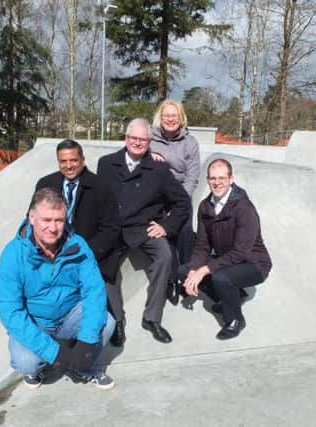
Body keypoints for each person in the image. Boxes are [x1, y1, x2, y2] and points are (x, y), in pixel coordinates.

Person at [0, 188, 115, 390]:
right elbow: (10, 311)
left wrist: (87, 342)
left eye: (59, 220)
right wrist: (55, 353)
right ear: (32, 218)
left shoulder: (78, 246)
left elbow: (94, 292)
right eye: (46, 220)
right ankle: (38, 364)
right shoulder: (12, 254)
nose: (53, 228)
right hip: (36, 320)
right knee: (26, 363)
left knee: (108, 322)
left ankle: (84, 367)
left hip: (69, 314)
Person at [97, 118, 191, 344]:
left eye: (143, 139)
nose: (137, 143)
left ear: (149, 142)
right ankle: (117, 320)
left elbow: (182, 202)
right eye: (133, 138)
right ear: (126, 138)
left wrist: (166, 226)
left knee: (165, 256)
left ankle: (152, 318)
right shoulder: (107, 163)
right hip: (115, 228)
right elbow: (98, 199)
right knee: (104, 262)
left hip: (144, 227)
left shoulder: (158, 168)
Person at [33, 139, 123, 345]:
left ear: (82, 160)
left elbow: (111, 227)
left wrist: (85, 254)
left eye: (73, 160)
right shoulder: (45, 184)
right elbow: (34, 220)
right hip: (53, 252)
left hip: (90, 251)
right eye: (63, 161)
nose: (69, 165)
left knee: (104, 281)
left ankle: (116, 322)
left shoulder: (100, 186)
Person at [180, 159, 272, 340]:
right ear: (207, 180)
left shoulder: (244, 208)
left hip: (254, 263)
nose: (217, 182)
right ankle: (233, 297)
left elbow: (241, 252)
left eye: (222, 178)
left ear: (231, 179)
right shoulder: (205, 207)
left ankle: (235, 320)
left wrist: (204, 270)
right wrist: (193, 271)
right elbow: (202, 245)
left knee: (220, 277)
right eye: (213, 178)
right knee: (183, 271)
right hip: (227, 260)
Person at [150, 99, 201, 302]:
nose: (170, 119)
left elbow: (192, 176)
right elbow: (135, 159)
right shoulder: (150, 140)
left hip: (180, 195)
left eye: (174, 115)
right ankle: (170, 279)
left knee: (185, 231)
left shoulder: (190, 143)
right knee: (164, 234)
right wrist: (149, 156)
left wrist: (179, 204)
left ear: (181, 118)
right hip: (157, 197)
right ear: (160, 118)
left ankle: (185, 276)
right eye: (166, 115)